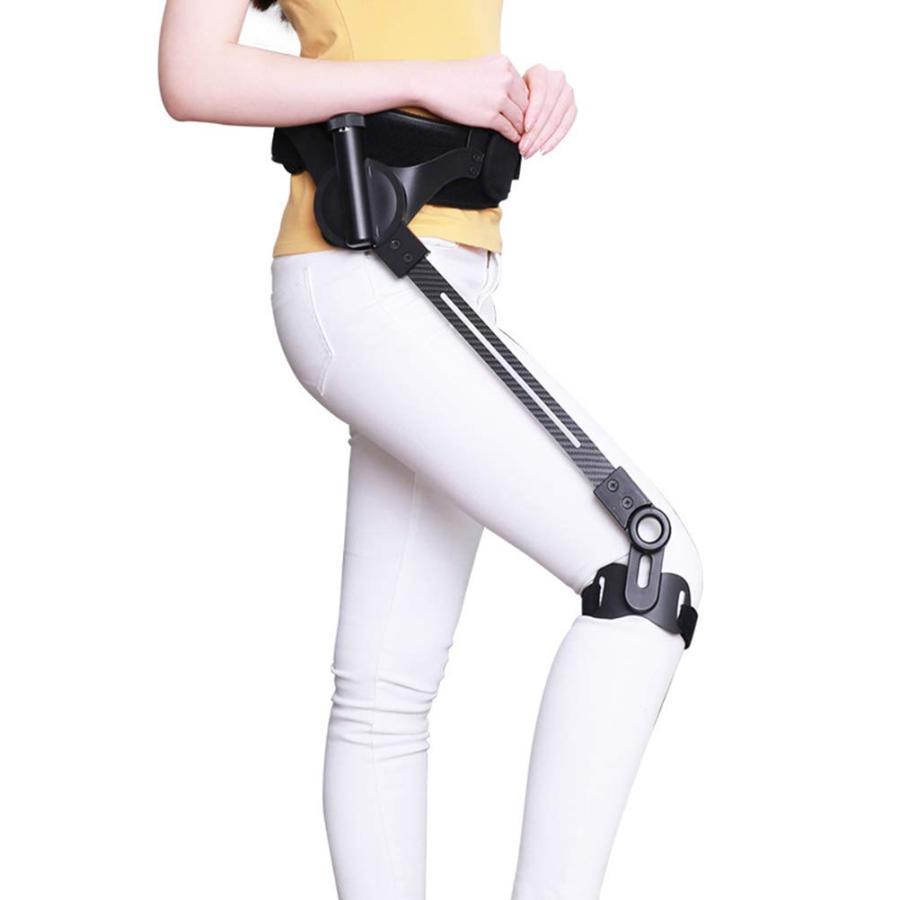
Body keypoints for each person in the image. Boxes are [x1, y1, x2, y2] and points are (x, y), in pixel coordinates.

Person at [158, 2, 703, 897]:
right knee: (649, 567)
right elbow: (190, 72)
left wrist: (521, 95)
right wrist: (421, 82)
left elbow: (430, 41)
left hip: (449, 271)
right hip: (367, 262)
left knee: (385, 689)